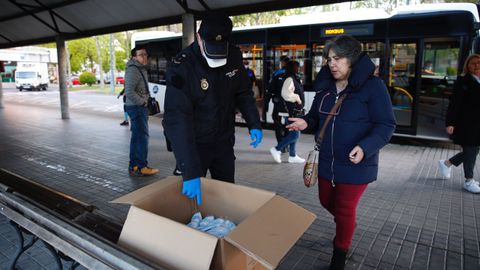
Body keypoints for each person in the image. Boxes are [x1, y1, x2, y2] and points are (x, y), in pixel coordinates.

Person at [286, 35, 395, 270]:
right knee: (326, 200)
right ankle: (346, 225)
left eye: (338, 58)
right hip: (326, 161)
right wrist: (306, 122)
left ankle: (339, 254)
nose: (331, 64)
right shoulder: (325, 87)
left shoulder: (373, 87)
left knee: (345, 209)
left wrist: (365, 147)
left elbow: (386, 124)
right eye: (329, 59)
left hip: (356, 164)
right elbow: (316, 117)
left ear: (353, 59)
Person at [163, 13, 263, 205]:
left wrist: (254, 123)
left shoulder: (233, 55)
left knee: (225, 197)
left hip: (223, 142)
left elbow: (243, 92)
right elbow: (177, 120)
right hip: (194, 145)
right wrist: (189, 170)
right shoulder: (182, 66)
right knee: (189, 203)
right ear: (199, 38)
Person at [438, 54, 480, 194]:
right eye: (473, 63)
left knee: (472, 151)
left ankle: (446, 163)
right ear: (467, 66)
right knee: (471, 151)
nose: (476, 66)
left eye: (479, 63)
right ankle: (469, 181)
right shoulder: (463, 81)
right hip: (466, 124)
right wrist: (450, 123)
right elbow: (455, 104)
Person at [124, 46, 159, 176]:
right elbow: (129, 92)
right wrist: (143, 102)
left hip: (137, 107)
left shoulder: (139, 69)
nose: (145, 57)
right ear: (134, 57)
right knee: (142, 137)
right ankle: (141, 166)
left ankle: (134, 165)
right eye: (141, 55)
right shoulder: (134, 70)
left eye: (145, 54)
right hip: (137, 108)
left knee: (136, 137)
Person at [269, 60, 305, 164]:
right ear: (294, 68)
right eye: (298, 67)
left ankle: (292, 156)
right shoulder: (289, 78)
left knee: (294, 132)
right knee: (295, 135)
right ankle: (276, 149)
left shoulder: (293, 78)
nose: (299, 69)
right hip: (290, 112)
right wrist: (297, 98)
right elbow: (285, 93)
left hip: (292, 111)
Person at [264, 55, 290, 151]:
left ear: (282, 63)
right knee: (288, 124)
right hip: (289, 106)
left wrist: (266, 104)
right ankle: (285, 145)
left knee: (278, 124)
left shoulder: (277, 74)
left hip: (278, 104)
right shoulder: (294, 74)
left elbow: (270, 90)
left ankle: (280, 144)